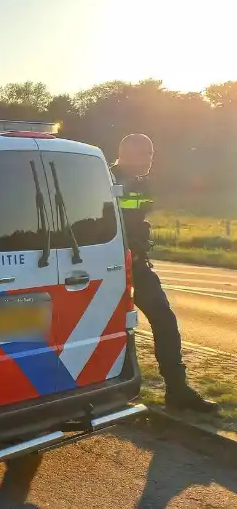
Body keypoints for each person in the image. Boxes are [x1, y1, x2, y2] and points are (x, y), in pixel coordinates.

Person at [111, 133, 217, 413]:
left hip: (137, 264)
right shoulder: (105, 179)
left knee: (165, 321)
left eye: (152, 153)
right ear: (126, 154)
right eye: (144, 153)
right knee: (112, 329)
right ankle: (108, 390)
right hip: (108, 267)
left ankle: (177, 390)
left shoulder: (144, 184)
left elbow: (137, 215)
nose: (149, 159)